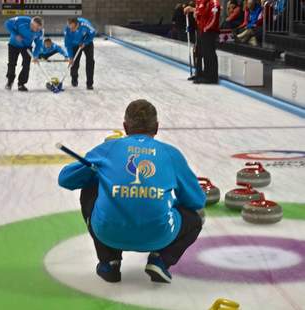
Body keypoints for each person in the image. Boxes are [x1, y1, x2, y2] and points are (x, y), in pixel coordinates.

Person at [58, 99, 206, 284]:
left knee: (89, 187)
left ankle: (109, 261)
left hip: (108, 233)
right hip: (159, 235)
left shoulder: (108, 149)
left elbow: (65, 179)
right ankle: (161, 259)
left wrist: (94, 174)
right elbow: (197, 202)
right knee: (198, 216)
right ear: (157, 127)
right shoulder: (170, 154)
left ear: (125, 127)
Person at [185, 0, 221, 84]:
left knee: (208, 54)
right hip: (201, 30)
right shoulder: (200, 2)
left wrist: (205, 29)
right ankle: (200, 74)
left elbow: (213, 18)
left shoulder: (214, 3)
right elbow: (199, 13)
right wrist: (193, 10)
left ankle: (211, 77)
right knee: (198, 52)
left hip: (209, 31)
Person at [5, 16, 44, 91]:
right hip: (13, 45)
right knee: (12, 63)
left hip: (26, 47)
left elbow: (39, 44)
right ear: (31, 24)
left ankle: (21, 84)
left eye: (38, 28)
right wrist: (16, 34)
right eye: (34, 27)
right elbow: (7, 23)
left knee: (26, 65)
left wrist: (35, 55)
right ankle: (10, 81)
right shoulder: (22, 20)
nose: (35, 30)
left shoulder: (40, 32)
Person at [64, 17, 96, 90]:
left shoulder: (85, 24)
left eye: (73, 28)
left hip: (87, 43)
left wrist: (85, 42)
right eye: (70, 27)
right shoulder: (67, 29)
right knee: (74, 63)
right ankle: (74, 79)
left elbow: (93, 33)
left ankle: (89, 83)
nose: (71, 30)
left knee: (90, 61)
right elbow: (68, 44)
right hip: (74, 45)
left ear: (77, 25)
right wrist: (71, 57)